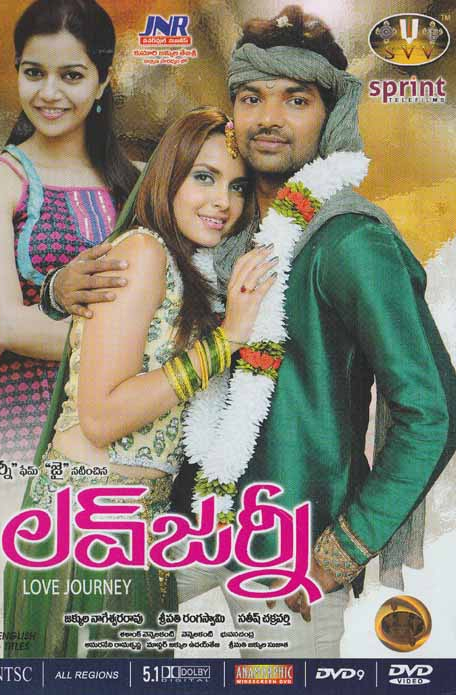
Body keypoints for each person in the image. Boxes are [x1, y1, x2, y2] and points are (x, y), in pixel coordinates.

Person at [168, 5, 456, 658]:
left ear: (331, 114)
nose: (268, 117)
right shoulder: (215, 221)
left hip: (289, 555)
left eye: (295, 99)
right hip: (190, 529)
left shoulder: (350, 241)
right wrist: (60, 289)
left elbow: (432, 409)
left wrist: (341, 551)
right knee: (81, 645)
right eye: (251, 97)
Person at [3, 106, 277, 658]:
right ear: (168, 175)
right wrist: (227, 339)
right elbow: (102, 417)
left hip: (134, 530)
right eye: (204, 177)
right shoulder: (144, 252)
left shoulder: (184, 265)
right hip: (84, 530)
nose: (222, 202)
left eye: (237, 186)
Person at [0, 0, 138, 468]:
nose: (48, 92)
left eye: (71, 75)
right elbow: (4, 326)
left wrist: (36, 329)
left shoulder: (133, 185)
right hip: (13, 412)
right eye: (33, 72)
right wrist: (134, 348)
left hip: (111, 416)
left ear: (102, 81)